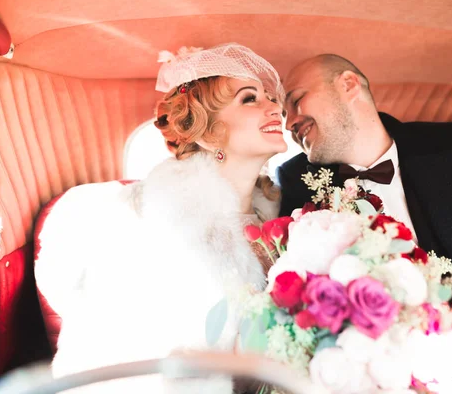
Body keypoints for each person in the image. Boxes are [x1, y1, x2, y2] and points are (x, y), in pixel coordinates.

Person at [276, 54, 452, 393]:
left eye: (296, 101)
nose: (289, 123)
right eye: (283, 114)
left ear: (348, 85)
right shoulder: (300, 187)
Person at [36, 43, 287, 393]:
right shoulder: (148, 220)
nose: (274, 107)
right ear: (207, 131)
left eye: (270, 99)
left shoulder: (280, 218)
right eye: (250, 99)